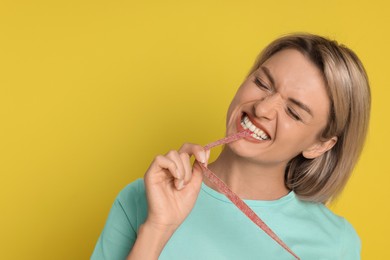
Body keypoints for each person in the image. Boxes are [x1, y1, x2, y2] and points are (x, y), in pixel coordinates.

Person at [91, 33, 370, 259]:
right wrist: (157, 228)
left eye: (294, 113)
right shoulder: (143, 198)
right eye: (262, 83)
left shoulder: (335, 244)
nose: (262, 108)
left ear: (320, 146)